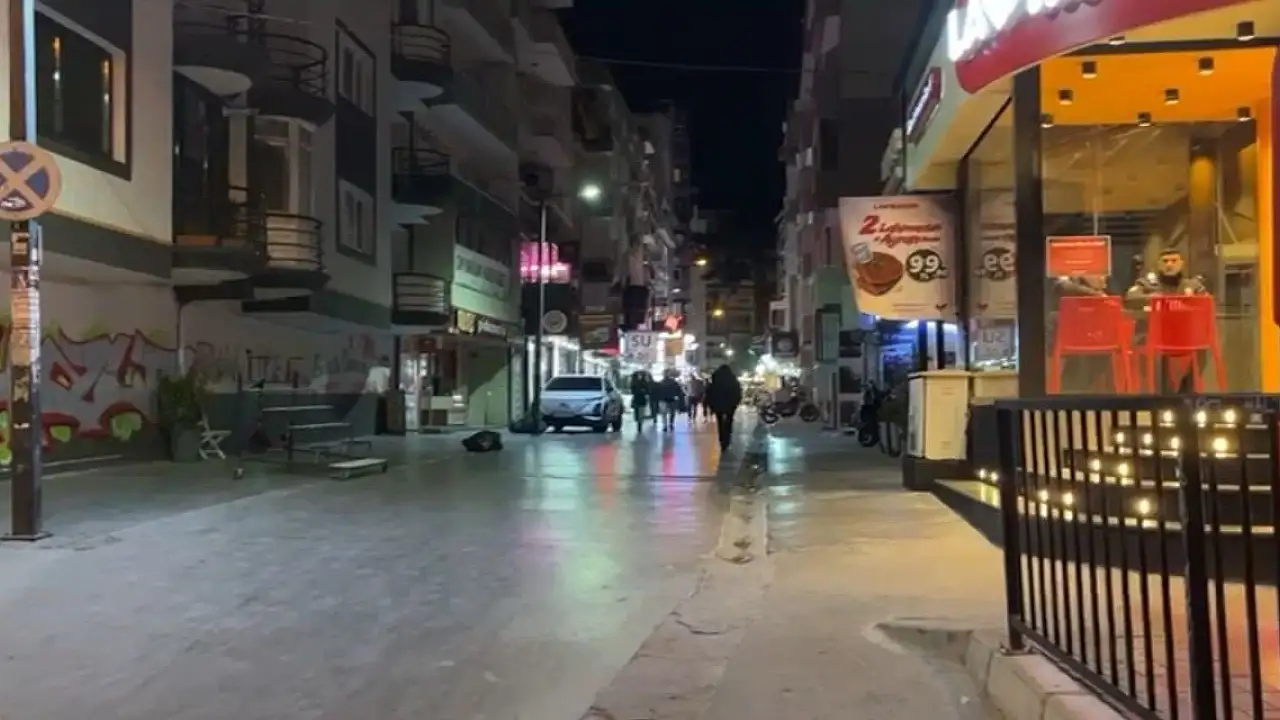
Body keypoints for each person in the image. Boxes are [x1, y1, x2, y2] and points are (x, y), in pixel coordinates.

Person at [705, 364, 743, 451]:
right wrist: (735, 404)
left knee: (720, 421)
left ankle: (721, 439)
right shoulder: (733, 380)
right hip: (730, 405)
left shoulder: (715, 381)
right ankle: (727, 439)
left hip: (718, 405)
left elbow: (709, 393)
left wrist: (711, 405)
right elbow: (738, 393)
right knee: (729, 421)